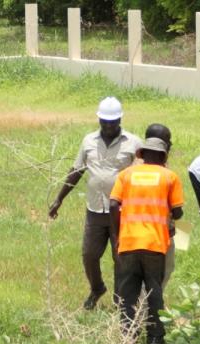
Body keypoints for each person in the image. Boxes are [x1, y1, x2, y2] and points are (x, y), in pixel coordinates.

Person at [47, 96, 141, 310]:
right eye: (104, 121)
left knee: (121, 258)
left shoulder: (134, 143)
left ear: (120, 119)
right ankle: (97, 288)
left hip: (122, 212)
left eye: (113, 121)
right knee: (89, 255)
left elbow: (142, 174)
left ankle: (120, 300)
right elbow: (77, 171)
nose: (108, 126)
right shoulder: (89, 140)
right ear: (98, 120)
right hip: (95, 210)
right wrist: (58, 199)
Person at [108, 137, 184, 344]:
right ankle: (155, 343)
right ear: (163, 156)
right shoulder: (170, 176)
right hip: (154, 244)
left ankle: (128, 341)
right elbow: (178, 212)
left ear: (141, 154)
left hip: (129, 243)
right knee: (154, 292)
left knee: (128, 294)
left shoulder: (126, 174)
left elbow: (113, 204)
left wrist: (117, 236)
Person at [142, 123, 179, 288]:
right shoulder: (160, 171)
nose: (170, 145)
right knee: (161, 271)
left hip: (146, 231)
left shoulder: (144, 166)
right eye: (167, 141)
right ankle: (150, 308)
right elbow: (177, 210)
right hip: (155, 234)